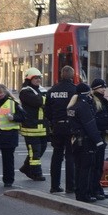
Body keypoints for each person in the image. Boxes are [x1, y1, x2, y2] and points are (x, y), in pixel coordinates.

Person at [67, 82, 105, 203]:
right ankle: (84, 194)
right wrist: (99, 141)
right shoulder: (83, 106)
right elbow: (90, 125)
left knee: (78, 168)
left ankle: (79, 192)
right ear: (87, 93)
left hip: (75, 141)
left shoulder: (72, 106)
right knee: (86, 169)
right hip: (85, 141)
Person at [44, 65, 78, 195]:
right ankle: (71, 186)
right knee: (70, 156)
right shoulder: (74, 90)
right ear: (72, 76)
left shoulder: (52, 90)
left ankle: (54, 185)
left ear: (61, 74)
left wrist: (53, 122)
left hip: (57, 127)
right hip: (70, 127)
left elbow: (47, 110)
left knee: (56, 156)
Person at [18, 67, 48, 181]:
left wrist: (44, 99)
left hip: (42, 127)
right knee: (34, 151)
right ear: (29, 79)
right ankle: (36, 173)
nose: (38, 80)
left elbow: (45, 101)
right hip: (30, 127)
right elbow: (38, 102)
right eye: (35, 78)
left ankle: (26, 167)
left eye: (39, 78)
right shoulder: (25, 91)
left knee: (42, 148)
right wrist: (44, 100)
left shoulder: (41, 90)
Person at [90, 78, 108, 200]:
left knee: (99, 165)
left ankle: (97, 188)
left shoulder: (103, 101)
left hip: (102, 135)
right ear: (95, 89)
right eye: (101, 87)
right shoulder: (93, 101)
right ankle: (94, 190)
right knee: (95, 165)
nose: (104, 89)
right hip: (96, 136)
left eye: (104, 87)